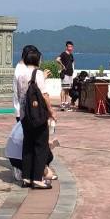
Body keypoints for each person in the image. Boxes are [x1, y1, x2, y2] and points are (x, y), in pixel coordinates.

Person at [14, 44, 57, 189]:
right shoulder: (37, 74)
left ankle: (26, 178)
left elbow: (21, 96)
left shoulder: (21, 75)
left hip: (25, 116)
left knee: (27, 146)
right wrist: (51, 112)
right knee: (41, 146)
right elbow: (44, 95)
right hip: (38, 116)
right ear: (37, 59)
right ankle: (38, 179)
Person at [56, 41, 75, 111]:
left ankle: (66, 103)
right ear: (66, 47)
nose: (70, 48)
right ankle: (62, 103)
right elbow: (57, 59)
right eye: (69, 46)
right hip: (65, 74)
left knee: (67, 89)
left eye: (71, 46)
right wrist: (62, 65)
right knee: (63, 89)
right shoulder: (63, 54)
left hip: (70, 74)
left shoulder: (71, 55)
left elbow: (73, 63)